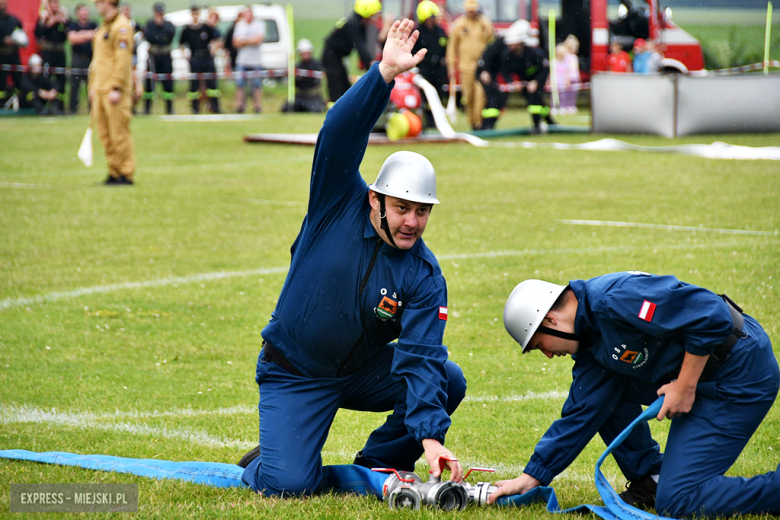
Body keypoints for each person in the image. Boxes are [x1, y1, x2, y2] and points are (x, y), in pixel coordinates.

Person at [237, 19, 467, 497]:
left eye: (422, 212)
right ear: (375, 200)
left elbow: (422, 357)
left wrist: (429, 438)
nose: (412, 222)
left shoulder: (424, 275)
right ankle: (271, 459)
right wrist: (382, 74)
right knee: (288, 486)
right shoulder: (336, 200)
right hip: (294, 371)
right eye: (402, 209)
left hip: (360, 374)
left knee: (448, 378)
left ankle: (377, 462)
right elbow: (339, 131)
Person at [495, 271, 780, 517]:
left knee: (679, 501)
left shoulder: (613, 299)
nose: (546, 354)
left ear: (551, 321)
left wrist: (684, 385)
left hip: (741, 374)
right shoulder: (590, 336)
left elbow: (711, 314)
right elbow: (584, 409)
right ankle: (650, 478)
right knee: (600, 397)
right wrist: (532, 476)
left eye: (538, 344)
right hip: (707, 374)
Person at [475, 19, 555, 133]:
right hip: (490, 75)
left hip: (535, 79)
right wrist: (511, 82)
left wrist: (536, 81)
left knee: (535, 99)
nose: (511, 46)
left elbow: (544, 67)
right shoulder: (505, 52)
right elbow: (504, 68)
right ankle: (487, 126)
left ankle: (542, 125)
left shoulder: (533, 53)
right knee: (496, 99)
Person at [89, 0, 135, 185]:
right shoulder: (103, 28)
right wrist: (93, 86)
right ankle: (113, 171)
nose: (96, 5)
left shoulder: (121, 27)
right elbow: (98, 61)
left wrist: (116, 86)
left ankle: (125, 173)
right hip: (100, 88)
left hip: (113, 90)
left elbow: (122, 61)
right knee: (105, 134)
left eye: (99, 2)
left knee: (119, 133)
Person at [445, 0, 493, 131]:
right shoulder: (459, 25)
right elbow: (452, 47)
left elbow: (491, 45)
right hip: (465, 67)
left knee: (481, 95)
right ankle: (473, 122)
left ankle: (478, 123)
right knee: (468, 97)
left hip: (481, 67)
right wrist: (450, 66)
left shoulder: (485, 24)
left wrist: (490, 65)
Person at [322, 0, 381, 104]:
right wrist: (370, 63)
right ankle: (333, 112)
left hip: (337, 57)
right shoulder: (353, 23)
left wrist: (369, 63)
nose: (374, 17)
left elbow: (362, 45)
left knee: (345, 87)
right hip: (331, 56)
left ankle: (344, 110)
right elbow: (359, 45)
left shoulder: (359, 23)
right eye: (373, 14)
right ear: (366, 12)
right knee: (336, 88)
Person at [411, 1, 447, 129]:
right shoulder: (417, 32)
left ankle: (436, 121)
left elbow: (445, 46)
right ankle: (425, 122)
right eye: (430, 18)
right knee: (424, 95)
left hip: (438, 68)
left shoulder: (440, 31)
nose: (432, 21)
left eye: (433, 18)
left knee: (438, 94)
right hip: (424, 68)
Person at [181, 5, 221, 114]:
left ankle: (215, 107)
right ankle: (195, 108)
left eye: (197, 13)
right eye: (193, 14)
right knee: (194, 84)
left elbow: (216, 39)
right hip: (195, 57)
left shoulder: (205, 28)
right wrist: (185, 55)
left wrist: (214, 49)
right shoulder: (187, 30)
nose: (195, 16)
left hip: (206, 57)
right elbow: (182, 44)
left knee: (211, 84)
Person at [35, 0, 69, 114]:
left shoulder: (63, 16)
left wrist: (63, 22)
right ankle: (45, 106)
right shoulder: (44, 16)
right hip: (48, 52)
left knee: (62, 78)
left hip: (59, 51)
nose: (55, 6)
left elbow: (68, 32)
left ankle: (60, 106)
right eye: (53, 3)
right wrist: (49, 23)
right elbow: (38, 33)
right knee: (46, 78)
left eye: (56, 3)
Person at [142, 2, 176, 115]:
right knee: (149, 82)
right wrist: (159, 34)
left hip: (165, 57)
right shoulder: (150, 24)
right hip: (153, 57)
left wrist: (160, 32)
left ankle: (169, 108)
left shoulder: (168, 24)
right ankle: (147, 107)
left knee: (168, 82)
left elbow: (169, 35)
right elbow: (150, 36)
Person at [232, 5, 264, 114]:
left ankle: (257, 107)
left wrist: (244, 40)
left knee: (256, 85)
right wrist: (250, 40)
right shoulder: (240, 25)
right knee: (240, 84)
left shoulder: (259, 24)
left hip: (256, 61)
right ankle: (240, 106)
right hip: (242, 61)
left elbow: (258, 39)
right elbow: (236, 42)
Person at [280, 38, 326, 113]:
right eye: (303, 53)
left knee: (315, 109)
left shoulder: (316, 65)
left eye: (306, 52)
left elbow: (316, 80)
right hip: (300, 96)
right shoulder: (297, 66)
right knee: (287, 108)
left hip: (312, 96)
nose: (305, 55)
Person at [66, 4, 97, 115]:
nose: (84, 13)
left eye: (86, 11)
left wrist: (81, 35)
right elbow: (72, 39)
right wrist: (89, 35)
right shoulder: (73, 25)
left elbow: (97, 35)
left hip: (90, 58)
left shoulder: (94, 24)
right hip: (78, 58)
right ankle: (73, 109)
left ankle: (93, 109)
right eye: (82, 11)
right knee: (75, 85)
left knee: (92, 85)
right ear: (77, 13)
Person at [0, 0, 25, 104]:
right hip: (1, 55)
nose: (2, 6)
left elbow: (22, 33)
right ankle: (1, 103)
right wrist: (3, 40)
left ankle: (21, 103)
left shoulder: (15, 20)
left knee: (19, 80)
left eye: (4, 3)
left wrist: (19, 40)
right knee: (1, 82)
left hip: (14, 55)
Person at [561, 34, 579, 114]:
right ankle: (565, 106)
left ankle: (572, 105)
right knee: (566, 93)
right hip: (568, 78)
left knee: (573, 93)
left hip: (575, 77)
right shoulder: (566, 57)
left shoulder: (575, 57)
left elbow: (576, 68)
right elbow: (565, 69)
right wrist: (566, 78)